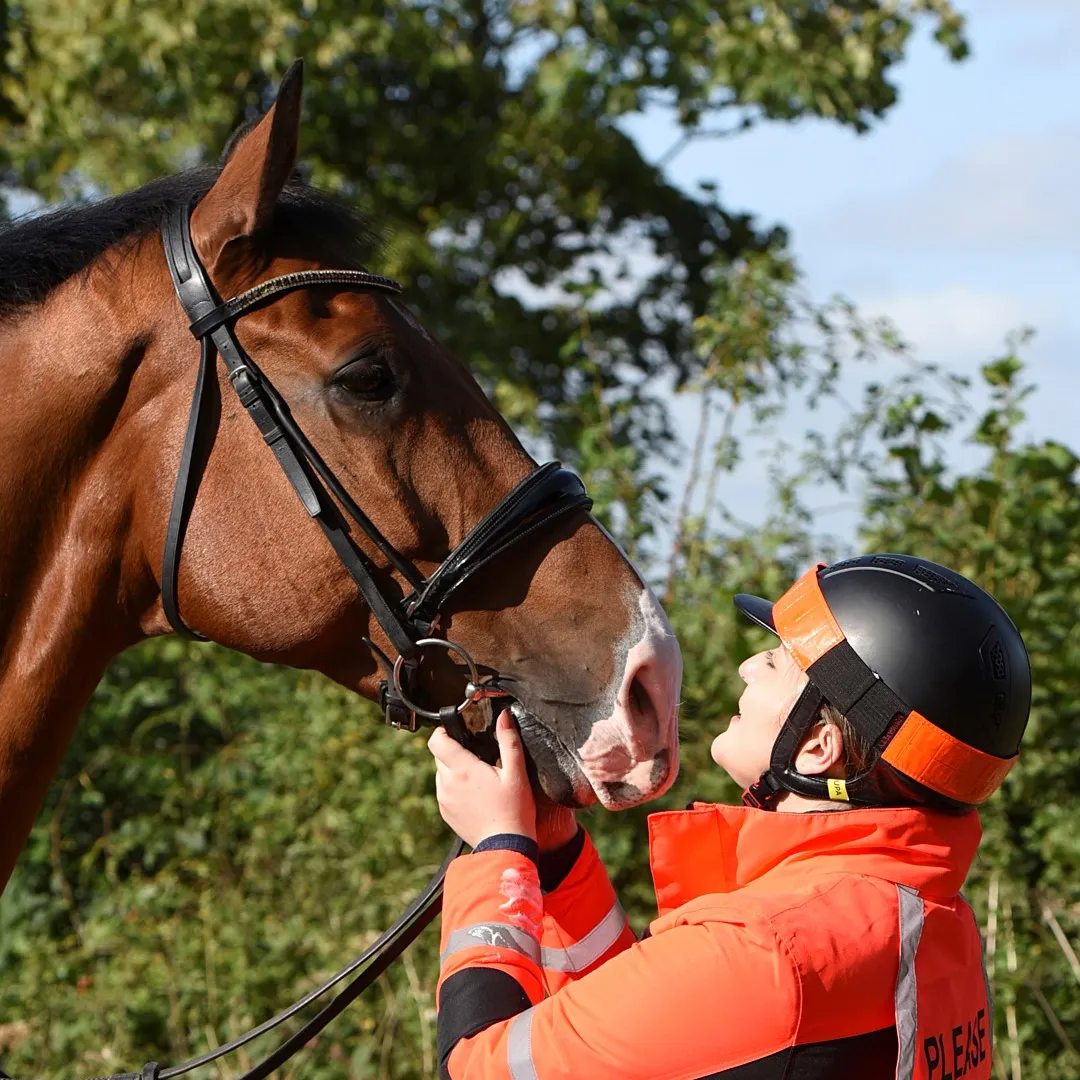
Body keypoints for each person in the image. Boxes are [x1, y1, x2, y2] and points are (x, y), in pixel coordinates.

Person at [427, 554, 1030, 1080]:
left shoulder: (772, 950)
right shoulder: (926, 921)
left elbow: (478, 1068)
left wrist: (499, 852)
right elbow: (638, 1033)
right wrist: (555, 859)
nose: (748, 666)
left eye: (780, 660)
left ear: (818, 745)